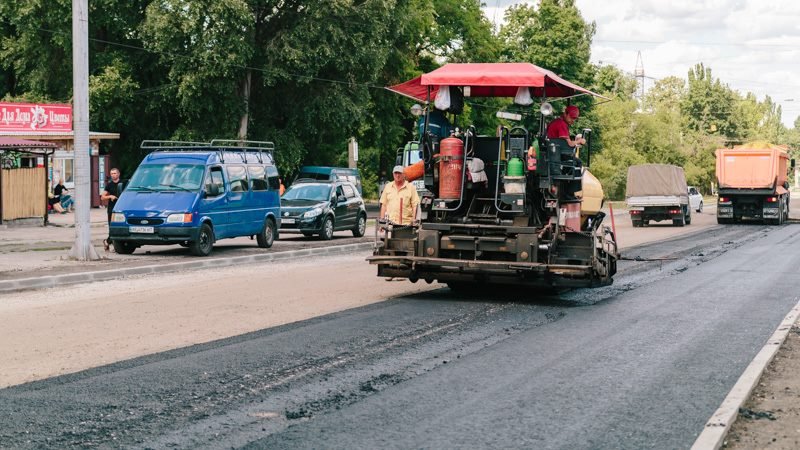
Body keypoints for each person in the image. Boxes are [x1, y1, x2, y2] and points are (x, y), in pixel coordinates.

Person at [100, 168, 122, 251]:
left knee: (120, 227)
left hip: (121, 208)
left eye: (115, 173)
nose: (113, 175)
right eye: (112, 173)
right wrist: (110, 196)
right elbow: (102, 197)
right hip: (112, 209)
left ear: (118, 174)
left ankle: (107, 241)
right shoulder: (109, 185)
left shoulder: (123, 183)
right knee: (112, 228)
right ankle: (112, 243)